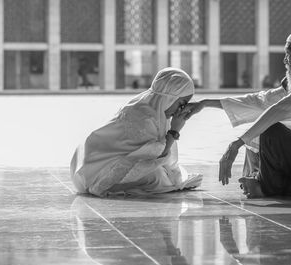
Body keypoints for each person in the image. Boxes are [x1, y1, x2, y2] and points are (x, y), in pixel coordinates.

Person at [183, 25, 291, 198]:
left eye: (288, 54)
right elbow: (262, 101)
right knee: (258, 132)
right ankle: (269, 183)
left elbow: (278, 110)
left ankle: (265, 186)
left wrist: (236, 144)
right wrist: (205, 103)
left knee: (269, 130)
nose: (285, 61)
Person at [70, 67, 202, 197]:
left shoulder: (157, 109)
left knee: (162, 175)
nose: (182, 109)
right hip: (97, 168)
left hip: (110, 159)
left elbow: (158, 157)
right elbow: (156, 156)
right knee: (157, 177)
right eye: (182, 103)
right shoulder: (145, 115)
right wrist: (175, 130)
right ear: (170, 98)